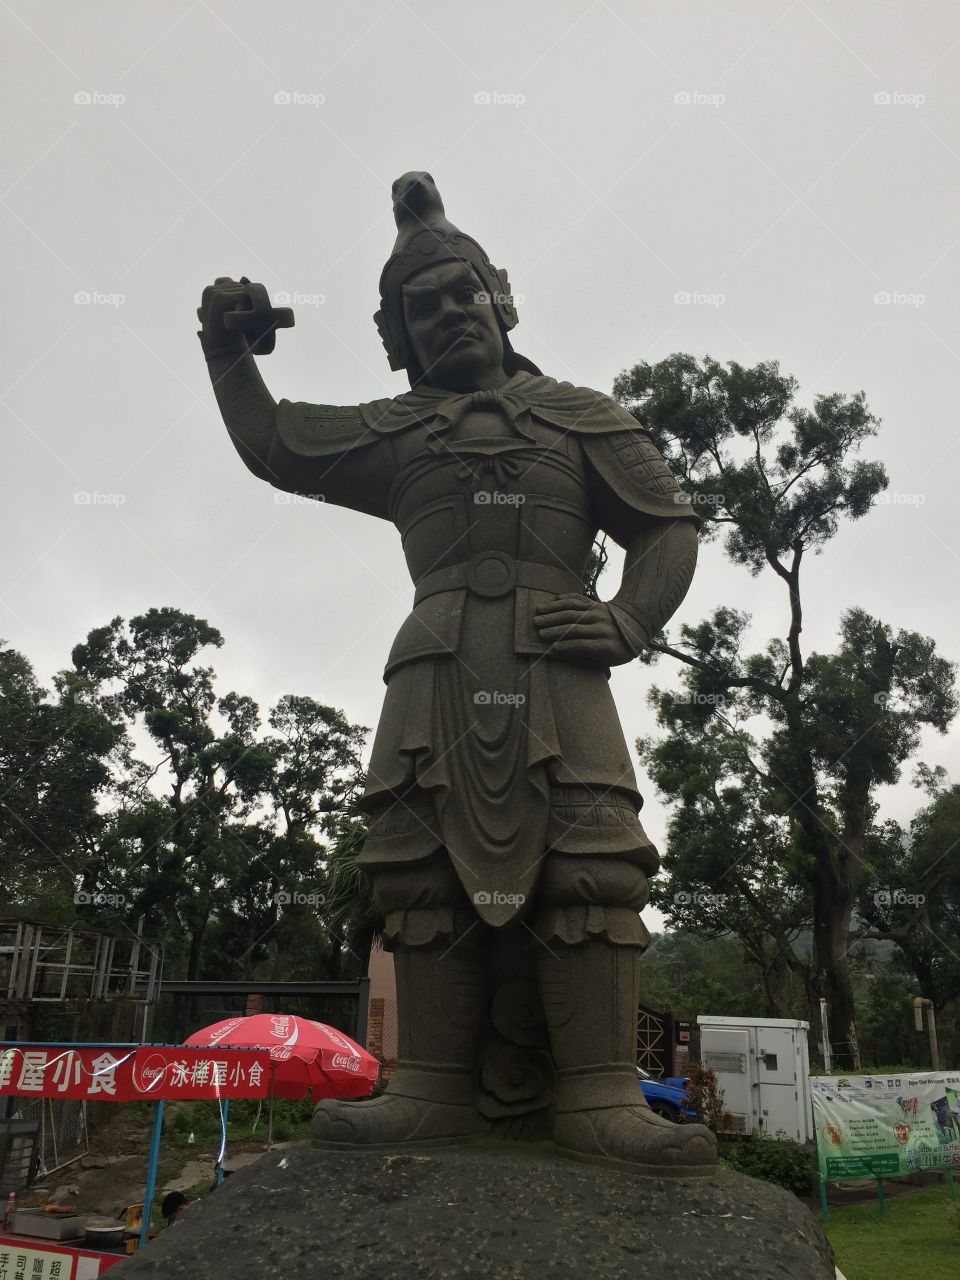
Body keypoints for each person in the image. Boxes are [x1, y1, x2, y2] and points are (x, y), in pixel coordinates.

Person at [199, 172, 715, 1174]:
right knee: (418, 871)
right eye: (418, 307)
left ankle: (600, 1089)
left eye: (459, 291)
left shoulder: (579, 415)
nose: (444, 313)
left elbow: (667, 526)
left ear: (501, 294)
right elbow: (273, 443)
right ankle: (429, 1082)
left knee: (595, 865)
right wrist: (227, 351)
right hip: (433, 668)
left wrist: (626, 617)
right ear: (398, 336)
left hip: (561, 665)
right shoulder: (392, 432)